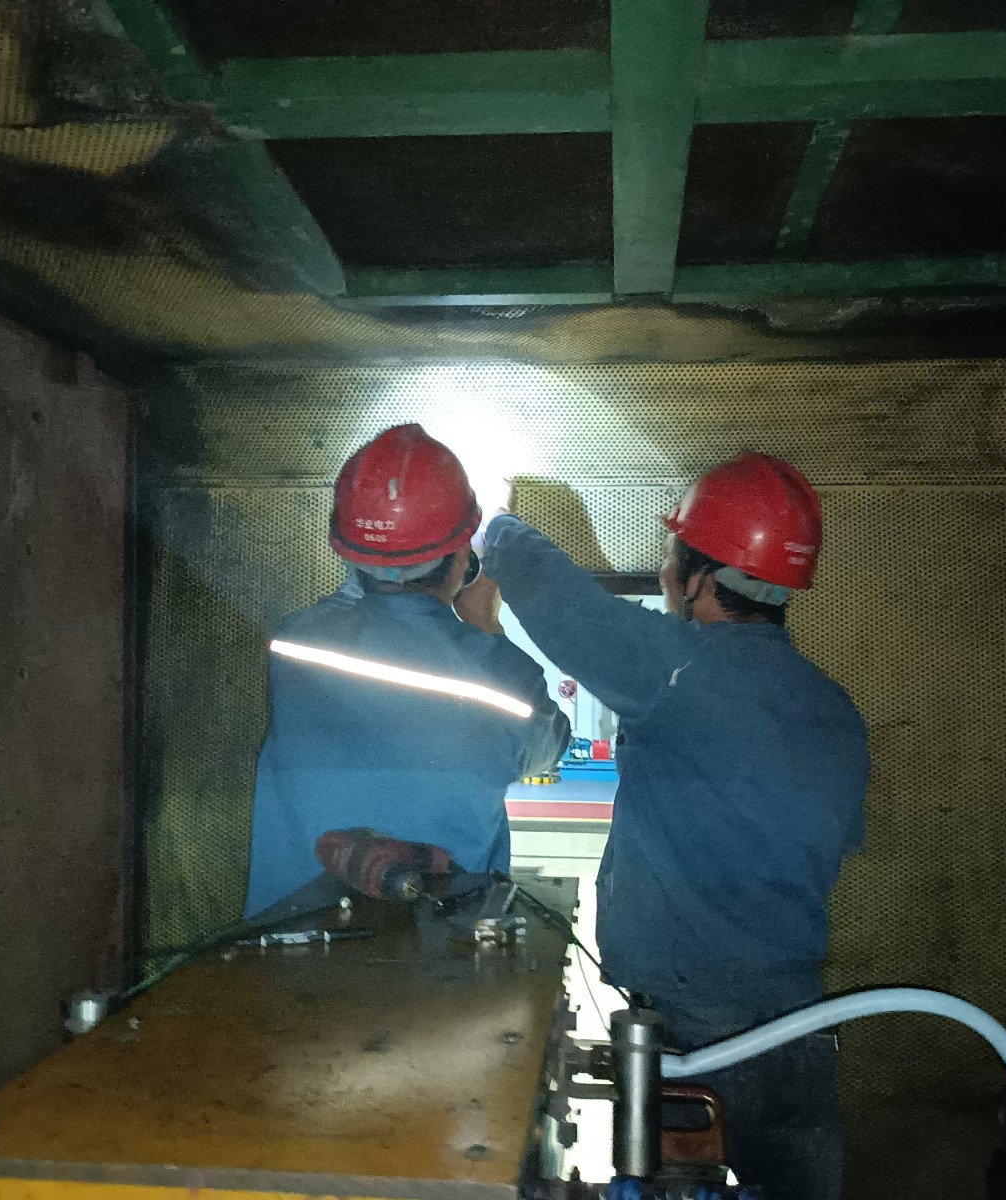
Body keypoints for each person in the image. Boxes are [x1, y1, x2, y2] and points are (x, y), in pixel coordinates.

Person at [477, 452, 869, 1200]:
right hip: (799, 1028)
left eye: (670, 554)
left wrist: (493, 520)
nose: (662, 572)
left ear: (699, 578)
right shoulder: (834, 708)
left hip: (700, 1035)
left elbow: (564, 606)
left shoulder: (686, 673)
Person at [243, 424, 570, 917]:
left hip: (288, 943)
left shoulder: (293, 644)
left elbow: (356, 593)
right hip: (443, 949)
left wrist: (389, 539)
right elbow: (550, 748)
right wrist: (483, 621)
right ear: (464, 557)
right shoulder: (504, 680)